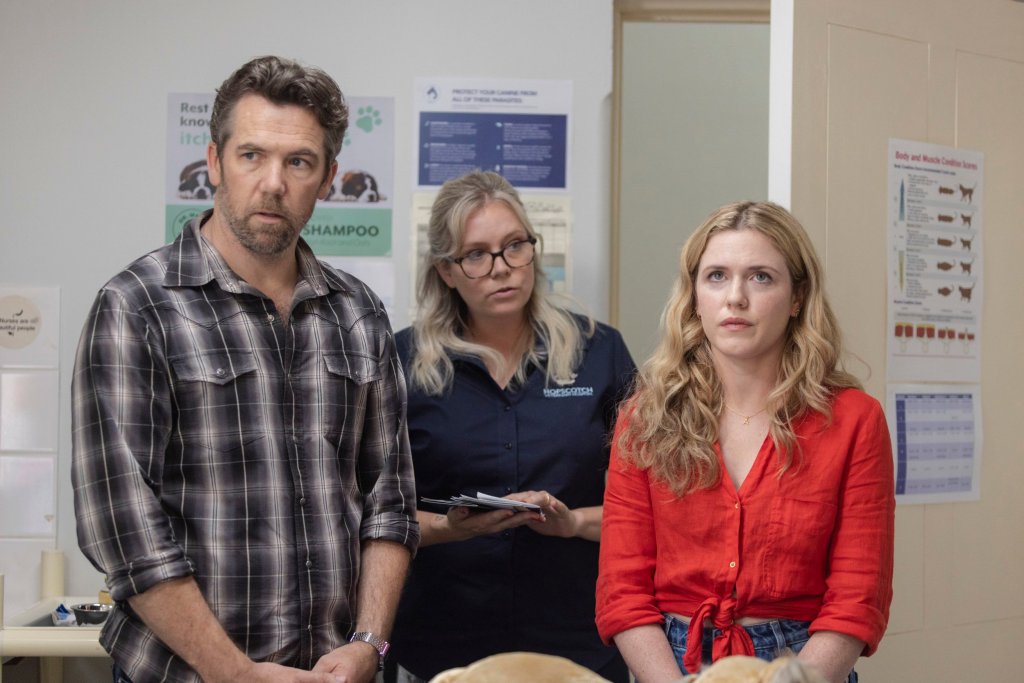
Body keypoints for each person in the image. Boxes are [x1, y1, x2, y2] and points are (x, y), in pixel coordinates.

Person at [71, 56, 418, 683]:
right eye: (251, 155)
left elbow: (388, 504)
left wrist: (369, 642)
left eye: (299, 162)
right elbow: (123, 529)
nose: (273, 183)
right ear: (214, 162)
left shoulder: (359, 313)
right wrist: (233, 671)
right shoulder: (137, 305)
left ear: (330, 178)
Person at [595, 201, 894, 683]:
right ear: (694, 295)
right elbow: (622, 590)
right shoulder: (644, 418)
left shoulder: (855, 421)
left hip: (802, 665)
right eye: (716, 276)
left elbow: (857, 598)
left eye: (760, 277)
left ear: (797, 297)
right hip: (669, 663)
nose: (735, 297)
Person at [388, 170, 635, 682]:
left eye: (514, 246)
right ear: (446, 271)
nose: (501, 268)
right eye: (476, 255)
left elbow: (656, 503)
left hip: (580, 645)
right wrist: (447, 528)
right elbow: (366, 512)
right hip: (442, 645)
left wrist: (573, 523)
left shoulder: (600, 351)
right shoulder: (402, 361)